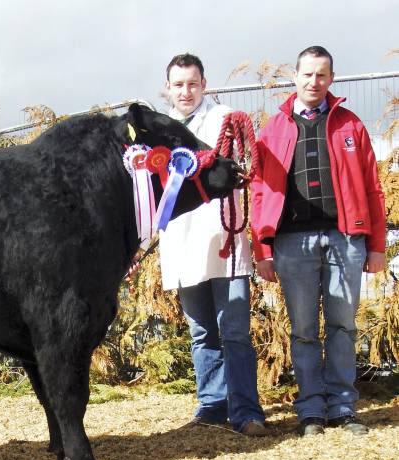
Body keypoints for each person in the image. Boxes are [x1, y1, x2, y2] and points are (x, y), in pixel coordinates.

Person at [251, 46, 386, 436]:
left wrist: (376, 246)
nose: (314, 82)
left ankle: (343, 407)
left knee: (343, 325)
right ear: (295, 77)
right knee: (304, 330)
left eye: (322, 75)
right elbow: (259, 193)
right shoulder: (272, 129)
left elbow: (373, 189)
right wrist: (263, 250)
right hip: (292, 243)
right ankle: (310, 410)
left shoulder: (350, 125)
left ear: (332, 79)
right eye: (307, 74)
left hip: (345, 239)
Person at [160, 53, 266, 436]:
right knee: (202, 331)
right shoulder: (160, 133)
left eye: (192, 83)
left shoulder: (225, 119)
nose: (186, 91)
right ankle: (212, 406)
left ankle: (246, 412)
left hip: (225, 239)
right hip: (182, 242)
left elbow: (247, 167)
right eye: (178, 84)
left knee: (234, 330)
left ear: (204, 84)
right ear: (167, 88)